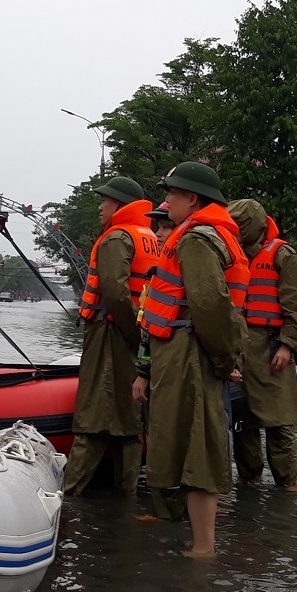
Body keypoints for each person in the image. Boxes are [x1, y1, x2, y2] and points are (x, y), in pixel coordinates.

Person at [132, 162, 248, 558]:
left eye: (172, 194)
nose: (165, 202)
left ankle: (203, 550)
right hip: (183, 352)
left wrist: (222, 359)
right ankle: (191, 537)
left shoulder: (197, 239)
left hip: (191, 354)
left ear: (193, 199)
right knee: (184, 442)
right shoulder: (200, 236)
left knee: (199, 447)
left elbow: (210, 306)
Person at [63, 177, 158, 498]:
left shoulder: (116, 238)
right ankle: (126, 498)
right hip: (137, 332)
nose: (100, 207)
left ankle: (67, 497)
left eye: (105, 201)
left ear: (119, 204)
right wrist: (146, 339)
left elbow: (115, 293)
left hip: (111, 331)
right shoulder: (150, 237)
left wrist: (136, 336)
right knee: (131, 423)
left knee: (93, 417)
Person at [227, 199, 297, 491]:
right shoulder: (231, 254)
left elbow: (296, 307)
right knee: (243, 422)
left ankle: (287, 487)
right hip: (239, 344)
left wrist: (287, 345)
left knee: (278, 423)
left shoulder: (281, 255)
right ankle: (249, 480)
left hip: (271, 345)